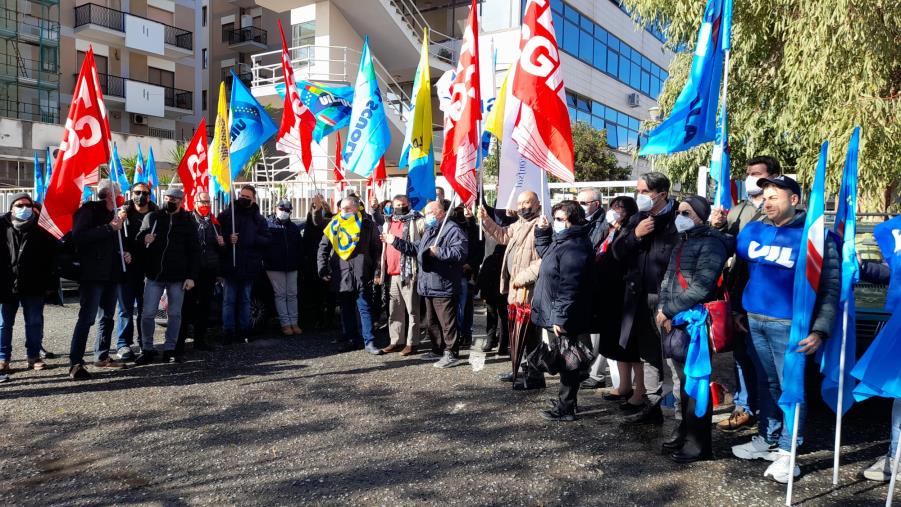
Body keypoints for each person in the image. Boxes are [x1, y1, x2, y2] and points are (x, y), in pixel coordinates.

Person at [730, 175, 840, 483]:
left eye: (774, 196)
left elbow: (830, 287)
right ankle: (768, 438)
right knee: (767, 383)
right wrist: (738, 309)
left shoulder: (816, 237)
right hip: (754, 320)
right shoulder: (753, 230)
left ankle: (790, 452)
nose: (767, 201)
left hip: (791, 326)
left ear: (794, 200)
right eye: (765, 197)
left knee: (791, 388)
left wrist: (820, 330)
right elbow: (741, 273)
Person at [656, 196, 731, 463]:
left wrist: (669, 310)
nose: (680, 216)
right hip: (673, 319)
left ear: (701, 215)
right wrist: (662, 309)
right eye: (679, 211)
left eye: (686, 212)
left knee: (696, 383)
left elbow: (702, 285)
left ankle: (698, 444)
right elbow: (667, 279)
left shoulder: (712, 243)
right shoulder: (682, 240)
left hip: (694, 321)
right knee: (680, 382)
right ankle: (684, 432)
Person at [709, 156, 781, 432]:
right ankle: (745, 407)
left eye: (757, 174)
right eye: (748, 173)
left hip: (766, 298)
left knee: (765, 363)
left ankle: (771, 418)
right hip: (737, 292)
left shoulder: (779, 212)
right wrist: (717, 227)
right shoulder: (737, 210)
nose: (751, 178)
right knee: (741, 356)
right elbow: (727, 248)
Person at [611, 172, 680, 424]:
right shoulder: (638, 219)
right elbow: (617, 252)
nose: (638, 196)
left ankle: (678, 412)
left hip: (667, 299)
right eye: (637, 191)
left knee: (671, 357)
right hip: (638, 298)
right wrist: (635, 235)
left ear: (661, 194)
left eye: (643, 192)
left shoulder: (677, 220)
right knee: (648, 354)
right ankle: (652, 406)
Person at [531, 200, 594, 421]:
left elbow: (570, 285)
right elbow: (545, 254)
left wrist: (560, 316)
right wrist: (542, 231)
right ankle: (566, 402)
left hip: (564, 315)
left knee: (568, 361)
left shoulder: (575, 246)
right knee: (562, 358)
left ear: (572, 221)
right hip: (555, 311)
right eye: (555, 218)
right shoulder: (562, 240)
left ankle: (566, 407)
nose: (555, 222)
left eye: (559, 219)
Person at [385, 200, 468, 367]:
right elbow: (416, 248)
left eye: (429, 213)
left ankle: (452, 352)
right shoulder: (432, 230)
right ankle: (438, 349)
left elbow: (460, 253)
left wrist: (439, 252)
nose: (427, 216)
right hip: (429, 284)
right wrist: (395, 241)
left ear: (440, 213)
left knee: (447, 322)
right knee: (431, 321)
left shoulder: (452, 229)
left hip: (443, 283)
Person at [478, 191, 545, 389]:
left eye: (527, 202)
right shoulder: (519, 224)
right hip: (515, 290)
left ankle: (534, 377)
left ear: (537, 204)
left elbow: (545, 258)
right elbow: (502, 235)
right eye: (520, 203)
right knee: (519, 334)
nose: (523, 206)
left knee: (531, 335)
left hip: (529, 289)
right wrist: (486, 220)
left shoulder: (541, 226)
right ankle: (521, 369)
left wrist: (523, 277)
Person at [68, 180, 131, 380]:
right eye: (119, 192)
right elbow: (79, 236)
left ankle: (102, 356)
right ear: (109, 193)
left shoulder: (117, 214)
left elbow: (117, 240)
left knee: (107, 317)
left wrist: (125, 252)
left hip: (112, 274)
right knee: (87, 319)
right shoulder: (89, 210)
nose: (122, 195)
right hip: (93, 275)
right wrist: (108, 228)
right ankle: (76, 363)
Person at [135, 189, 199, 364]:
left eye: (174, 199)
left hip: (178, 277)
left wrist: (191, 276)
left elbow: (195, 251)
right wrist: (144, 239)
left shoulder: (188, 221)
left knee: (175, 314)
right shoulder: (153, 217)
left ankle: (170, 349)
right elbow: (138, 239)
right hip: (154, 275)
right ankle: (147, 348)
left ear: (181, 201)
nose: (170, 201)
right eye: (168, 198)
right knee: (147, 313)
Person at [0, 193, 57, 375]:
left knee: (33, 322)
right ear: (11, 208)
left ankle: (33, 357)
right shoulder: (2, 226)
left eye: (27, 204)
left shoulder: (42, 228)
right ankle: (3, 359)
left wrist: (49, 283)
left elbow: (51, 258)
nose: (24, 208)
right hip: (6, 285)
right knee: (3, 324)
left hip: (34, 284)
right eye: (19, 204)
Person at [318, 196, 382, 355]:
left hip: (362, 273)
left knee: (364, 308)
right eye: (342, 209)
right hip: (342, 274)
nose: (343, 212)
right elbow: (323, 248)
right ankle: (351, 340)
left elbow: (377, 250)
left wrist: (377, 271)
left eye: (347, 209)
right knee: (345, 310)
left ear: (356, 208)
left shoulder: (367, 225)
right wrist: (323, 269)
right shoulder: (334, 224)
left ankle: (369, 341)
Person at [594, 197, 642, 401]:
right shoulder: (611, 229)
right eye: (613, 206)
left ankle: (640, 390)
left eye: (620, 207)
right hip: (610, 295)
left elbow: (623, 256)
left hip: (627, 295)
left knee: (632, 346)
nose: (615, 210)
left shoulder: (634, 230)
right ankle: (623, 385)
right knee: (617, 345)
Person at [217, 184, 270, 343]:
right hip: (230, 266)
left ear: (254, 200)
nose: (244, 199)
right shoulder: (227, 215)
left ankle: (244, 330)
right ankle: (228, 331)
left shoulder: (259, 219)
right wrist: (228, 239)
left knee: (246, 300)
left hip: (249, 267)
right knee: (229, 301)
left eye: (248, 197)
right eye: (242, 196)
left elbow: (267, 239)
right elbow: (217, 237)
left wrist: (253, 239)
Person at [114, 181, 157, 361]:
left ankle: (144, 342)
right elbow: (113, 237)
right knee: (125, 308)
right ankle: (123, 344)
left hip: (148, 268)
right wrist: (122, 252)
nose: (141, 196)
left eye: (145, 193)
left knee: (145, 309)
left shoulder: (157, 215)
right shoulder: (123, 213)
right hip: (127, 268)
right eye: (137, 192)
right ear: (132, 194)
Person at [177, 191, 223, 353]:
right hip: (191, 271)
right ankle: (179, 342)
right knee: (186, 306)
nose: (205, 205)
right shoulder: (187, 220)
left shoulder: (214, 223)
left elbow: (218, 249)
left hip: (208, 270)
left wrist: (221, 243)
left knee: (204, 306)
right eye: (202, 202)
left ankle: (200, 341)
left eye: (208, 202)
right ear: (195, 203)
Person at [378, 195, 424, 355]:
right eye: (397, 205)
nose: (401, 207)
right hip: (392, 273)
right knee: (394, 309)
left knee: (412, 310)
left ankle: (412, 343)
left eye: (404, 204)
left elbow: (420, 245)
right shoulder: (388, 222)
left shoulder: (416, 220)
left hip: (409, 272)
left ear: (409, 204)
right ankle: (396, 341)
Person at [578, 187, 609, 390]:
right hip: (584, 283)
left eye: (583, 203)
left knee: (598, 333)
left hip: (599, 283)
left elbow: (594, 248)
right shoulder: (582, 222)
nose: (580, 206)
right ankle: (586, 368)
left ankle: (596, 374)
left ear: (595, 204)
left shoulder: (604, 224)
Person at [264, 199, 303, 336]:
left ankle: (294, 322)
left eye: (287, 210)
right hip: (274, 266)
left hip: (291, 266)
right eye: (282, 208)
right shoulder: (267, 224)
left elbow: (299, 247)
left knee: (292, 294)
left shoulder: (293, 228)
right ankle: (285, 324)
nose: (284, 212)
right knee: (280, 295)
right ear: (275, 208)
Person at [301, 194, 334, 330]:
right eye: (316, 205)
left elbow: (320, 221)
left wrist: (319, 209)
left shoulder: (332, 219)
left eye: (323, 204)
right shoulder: (311, 218)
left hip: (330, 261)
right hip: (315, 261)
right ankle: (320, 319)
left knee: (330, 293)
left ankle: (330, 319)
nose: (321, 206)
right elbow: (309, 236)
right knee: (318, 293)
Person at [454, 204, 483, 349]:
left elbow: (480, 251)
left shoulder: (476, 230)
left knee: (466, 307)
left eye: (464, 212)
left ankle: (466, 334)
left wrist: (470, 265)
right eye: (458, 212)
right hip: (453, 273)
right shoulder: (452, 227)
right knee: (456, 308)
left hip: (468, 275)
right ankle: (457, 335)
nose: (461, 214)